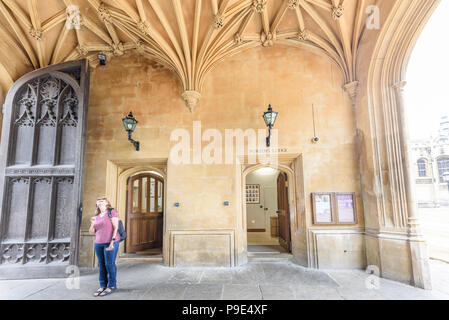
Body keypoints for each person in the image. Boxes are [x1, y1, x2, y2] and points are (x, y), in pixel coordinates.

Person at [89, 197, 120, 297]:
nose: (100, 201)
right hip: (98, 243)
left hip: (110, 242)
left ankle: (111, 285)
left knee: (109, 264)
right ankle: (102, 285)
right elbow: (91, 232)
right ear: (97, 204)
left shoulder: (112, 212)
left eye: (103, 200)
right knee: (102, 264)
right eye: (98, 200)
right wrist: (92, 223)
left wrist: (112, 242)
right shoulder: (97, 216)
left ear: (107, 203)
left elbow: (116, 228)